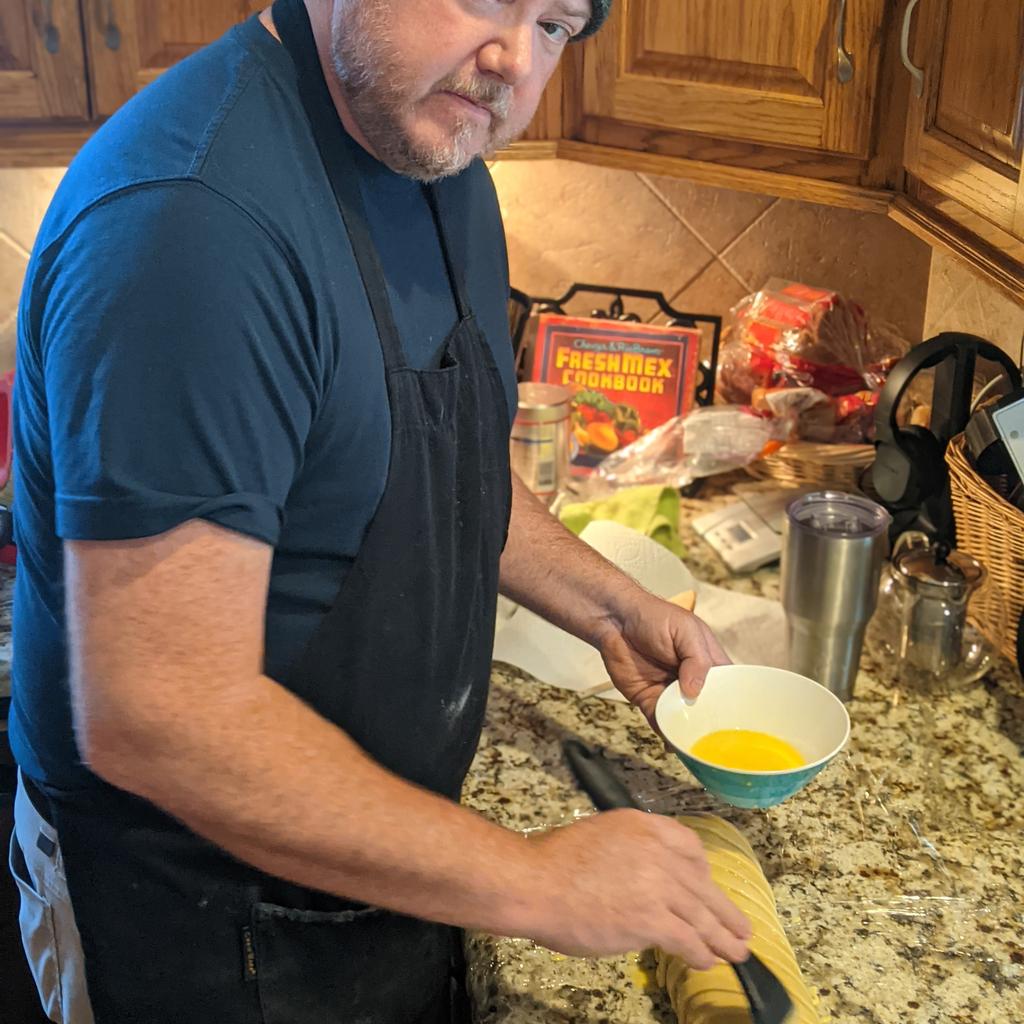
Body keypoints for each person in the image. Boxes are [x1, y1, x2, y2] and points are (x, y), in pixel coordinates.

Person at [9, 1, 751, 1021]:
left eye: (555, 23)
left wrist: (608, 605)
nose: (512, 61)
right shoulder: (190, 225)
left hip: (372, 871)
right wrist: (536, 882)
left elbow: (430, 454)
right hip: (188, 918)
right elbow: (158, 716)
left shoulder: (437, 154)